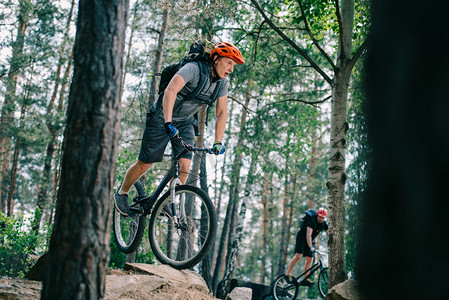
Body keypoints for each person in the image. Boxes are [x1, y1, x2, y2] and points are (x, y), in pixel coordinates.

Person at [114, 42, 245, 216]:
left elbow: (222, 112)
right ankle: (122, 193)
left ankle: (168, 203)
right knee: (145, 163)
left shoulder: (221, 84)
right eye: (229, 62)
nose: (231, 69)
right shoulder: (193, 69)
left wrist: (218, 141)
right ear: (216, 59)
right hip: (162, 116)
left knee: (185, 165)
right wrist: (168, 122)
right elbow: (170, 91)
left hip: (185, 122)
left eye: (234, 66)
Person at [284, 208, 329, 286]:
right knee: (298, 256)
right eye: (320, 217)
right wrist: (310, 246)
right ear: (317, 216)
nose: (321, 219)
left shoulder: (324, 224)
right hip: (301, 238)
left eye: (323, 217)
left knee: (310, 259)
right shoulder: (312, 221)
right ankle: (287, 275)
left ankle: (306, 278)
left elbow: (329, 233)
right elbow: (308, 234)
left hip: (310, 240)